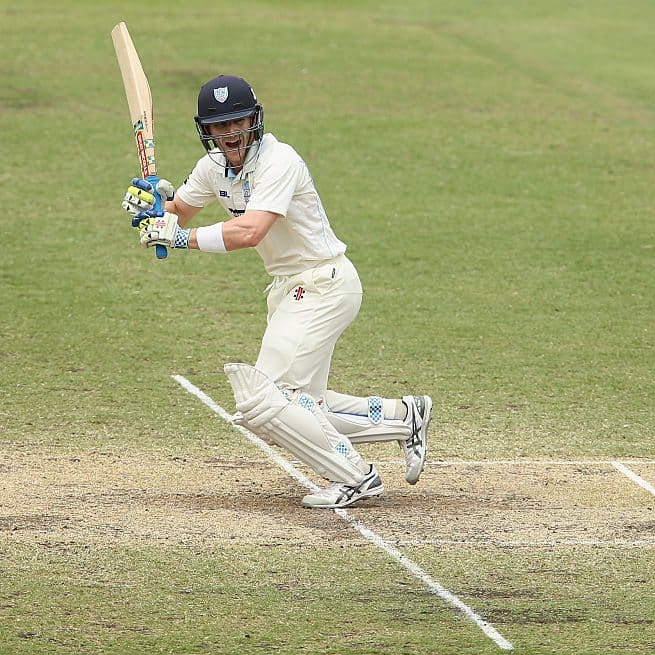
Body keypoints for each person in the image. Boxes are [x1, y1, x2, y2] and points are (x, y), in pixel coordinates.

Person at [121, 74, 431, 509]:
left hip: (324, 283)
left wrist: (176, 238)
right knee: (305, 407)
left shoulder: (278, 161)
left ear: (254, 119)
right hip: (290, 289)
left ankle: (356, 476)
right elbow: (181, 212)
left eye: (238, 121)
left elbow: (250, 231)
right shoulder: (213, 168)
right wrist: (152, 205)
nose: (230, 133)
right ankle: (404, 417)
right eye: (220, 125)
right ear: (206, 130)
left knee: (261, 399)